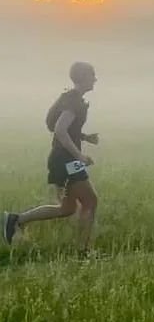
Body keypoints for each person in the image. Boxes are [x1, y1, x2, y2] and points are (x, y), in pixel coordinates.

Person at [3, 62, 101, 255]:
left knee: (67, 208)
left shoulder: (71, 98)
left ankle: (16, 220)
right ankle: (83, 251)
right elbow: (60, 130)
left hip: (61, 159)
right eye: (92, 75)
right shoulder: (74, 102)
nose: (95, 79)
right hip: (67, 161)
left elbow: (64, 129)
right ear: (83, 77)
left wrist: (84, 137)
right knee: (90, 201)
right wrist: (79, 155)